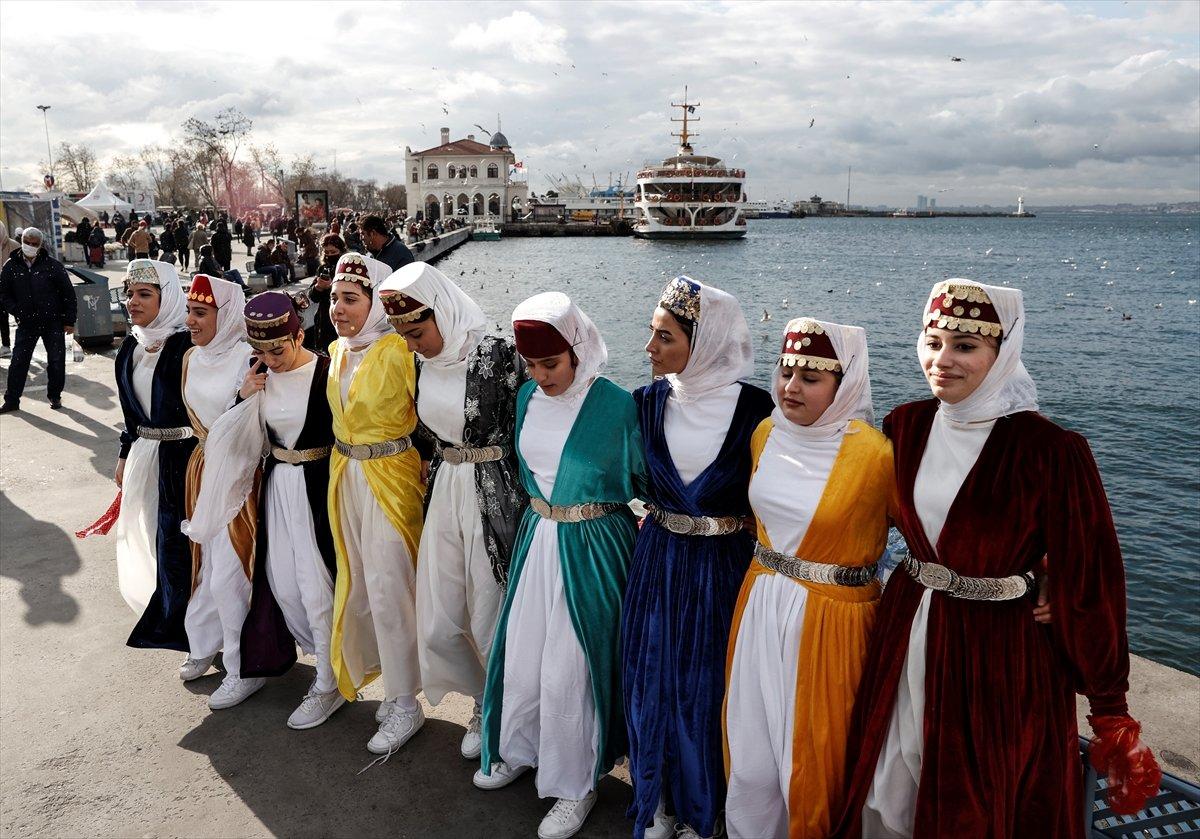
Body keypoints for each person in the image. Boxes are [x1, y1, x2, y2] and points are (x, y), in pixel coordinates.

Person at [833, 280, 1160, 837]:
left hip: (998, 657)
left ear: (1002, 351)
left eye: (965, 346)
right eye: (934, 342)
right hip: (906, 630)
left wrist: (1108, 702)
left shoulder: (1049, 449)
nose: (943, 360)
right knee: (889, 782)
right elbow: (852, 506)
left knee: (977, 799)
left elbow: (1093, 574)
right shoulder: (905, 425)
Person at [477, 292, 645, 839]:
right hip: (539, 538)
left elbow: (644, 480)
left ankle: (578, 781)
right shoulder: (527, 397)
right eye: (532, 365)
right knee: (525, 653)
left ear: (576, 351)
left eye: (550, 364)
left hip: (593, 547)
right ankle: (524, 746)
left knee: (571, 668)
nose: (541, 376)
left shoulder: (617, 405)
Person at [724, 317, 888, 839]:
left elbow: (936, 527)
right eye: (786, 370)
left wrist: (1039, 575)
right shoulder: (766, 433)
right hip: (761, 604)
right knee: (750, 747)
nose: (791, 387)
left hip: (830, 623)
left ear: (845, 385)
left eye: (811, 377)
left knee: (814, 756)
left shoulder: (876, 457)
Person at [621, 277, 773, 839]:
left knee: (708, 687)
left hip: (723, 568)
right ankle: (654, 793)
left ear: (702, 340)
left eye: (664, 336)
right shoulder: (646, 402)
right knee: (648, 676)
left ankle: (701, 804)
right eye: (651, 333)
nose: (650, 348)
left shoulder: (759, 410)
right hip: (657, 558)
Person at [378, 262, 528, 763]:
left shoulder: (497, 355)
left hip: (494, 492)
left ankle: (502, 711)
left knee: (489, 606)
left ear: (442, 312)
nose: (412, 344)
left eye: (417, 332)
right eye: (403, 335)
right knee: (441, 610)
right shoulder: (422, 364)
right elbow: (425, 433)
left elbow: (529, 423)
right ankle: (482, 696)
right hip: (445, 489)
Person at [325, 253, 427, 756]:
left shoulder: (398, 350)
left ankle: (408, 701)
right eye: (334, 299)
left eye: (350, 299)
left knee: (392, 587)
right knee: (360, 581)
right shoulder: (339, 351)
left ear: (375, 303)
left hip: (391, 477)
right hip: (347, 477)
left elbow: (428, 416)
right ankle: (393, 681)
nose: (338, 309)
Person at [235, 292, 342, 728]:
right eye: (260, 351)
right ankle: (319, 664)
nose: (270, 359)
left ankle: (329, 682)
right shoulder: (257, 375)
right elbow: (240, 439)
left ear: (299, 334)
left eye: (277, 349)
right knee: (283, 583)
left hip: (319, 489)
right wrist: (242, 397)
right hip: (278, 489)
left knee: (318, 586)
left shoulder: (327, 372)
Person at [176, 273, 260, 707]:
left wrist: (240, 399)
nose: (191, 320)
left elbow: (256, 421)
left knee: (231, 572)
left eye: (201, 312)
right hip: (204, 468)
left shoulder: (248, 357)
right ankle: (206, 641)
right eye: (190, 311)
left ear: (225, 315)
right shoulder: (191, 357)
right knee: (206, 565)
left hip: (238, 474)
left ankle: (244, 666)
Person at [112, 259, 195, 655]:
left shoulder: (187, 345)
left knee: (180, 547)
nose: (133, 302)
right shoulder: (130, 346)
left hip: (183, 459)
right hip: (145, 457)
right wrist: (125, 454)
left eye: (145, 294)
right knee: (150, 538)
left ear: (169, 297)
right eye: (130, 294)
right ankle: (172, 620)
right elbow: (131, 413)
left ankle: (193, 630)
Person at [0, 227, 77, 413]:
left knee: (57, 361)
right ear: (22, 240)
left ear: (40, 245)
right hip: (27, 323)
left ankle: (55, 395)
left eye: (34, 244)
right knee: (18, 361)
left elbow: (68, 294)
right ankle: (12, 400)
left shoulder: (52, 265)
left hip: (53, 322)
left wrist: (69, 321)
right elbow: (4, 294)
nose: (30, 246)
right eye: (27, 242)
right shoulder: (11, 266)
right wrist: (16, 310)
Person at [297, 234, 342, 352]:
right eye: (326, 252)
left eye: (333, 252)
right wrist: (318, 287)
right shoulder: (322, 269)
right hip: (323, 318)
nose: (330, 255)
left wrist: (333, 286)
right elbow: (313, 297)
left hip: (340, 315)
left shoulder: (345, 268)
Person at [0, 221, 18, 358]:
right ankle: (6, 346)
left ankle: (24, 344)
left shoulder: (14, 246)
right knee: (2, 317)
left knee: (20, 317)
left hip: (15, 289)